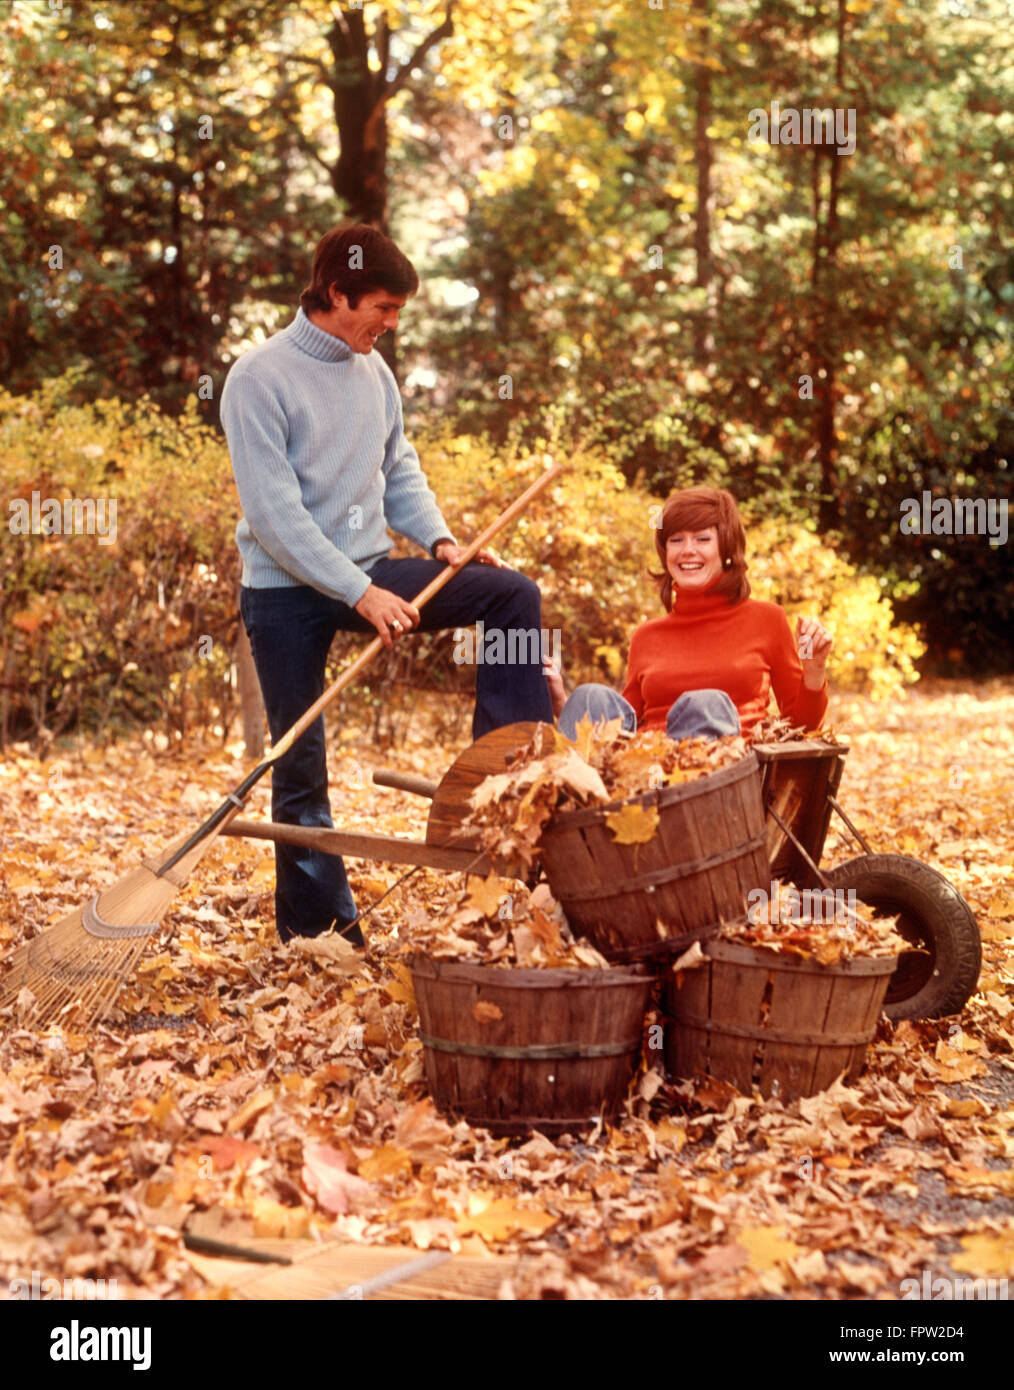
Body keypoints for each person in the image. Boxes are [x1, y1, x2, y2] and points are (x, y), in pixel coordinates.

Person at [221, 223, 554, 947]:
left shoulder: (374, 373)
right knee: (298, 761)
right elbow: (275, 516)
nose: (392, 325)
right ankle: (320, 933)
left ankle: (500, 790)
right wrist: (357, 592)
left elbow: (398, 467)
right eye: (383, 307)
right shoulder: (257, 378)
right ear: (336, 293)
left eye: (399, 311)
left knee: (510, 595)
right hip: (284, 592)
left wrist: (439, 539)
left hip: (366, 568)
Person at [550, 486, 832, 742]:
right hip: (648, 777)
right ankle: (589, 791)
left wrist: (814, 671)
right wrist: (565, 705)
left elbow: (801, 729)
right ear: (665, 552)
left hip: (727, 776)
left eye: (702, 538)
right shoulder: (646, 637)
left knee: (704, 705)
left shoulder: (767, 620)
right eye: (676, 540)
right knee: (590, 696)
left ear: (727, 548)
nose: (688, 551)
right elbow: (625, 724)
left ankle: (688, 794)